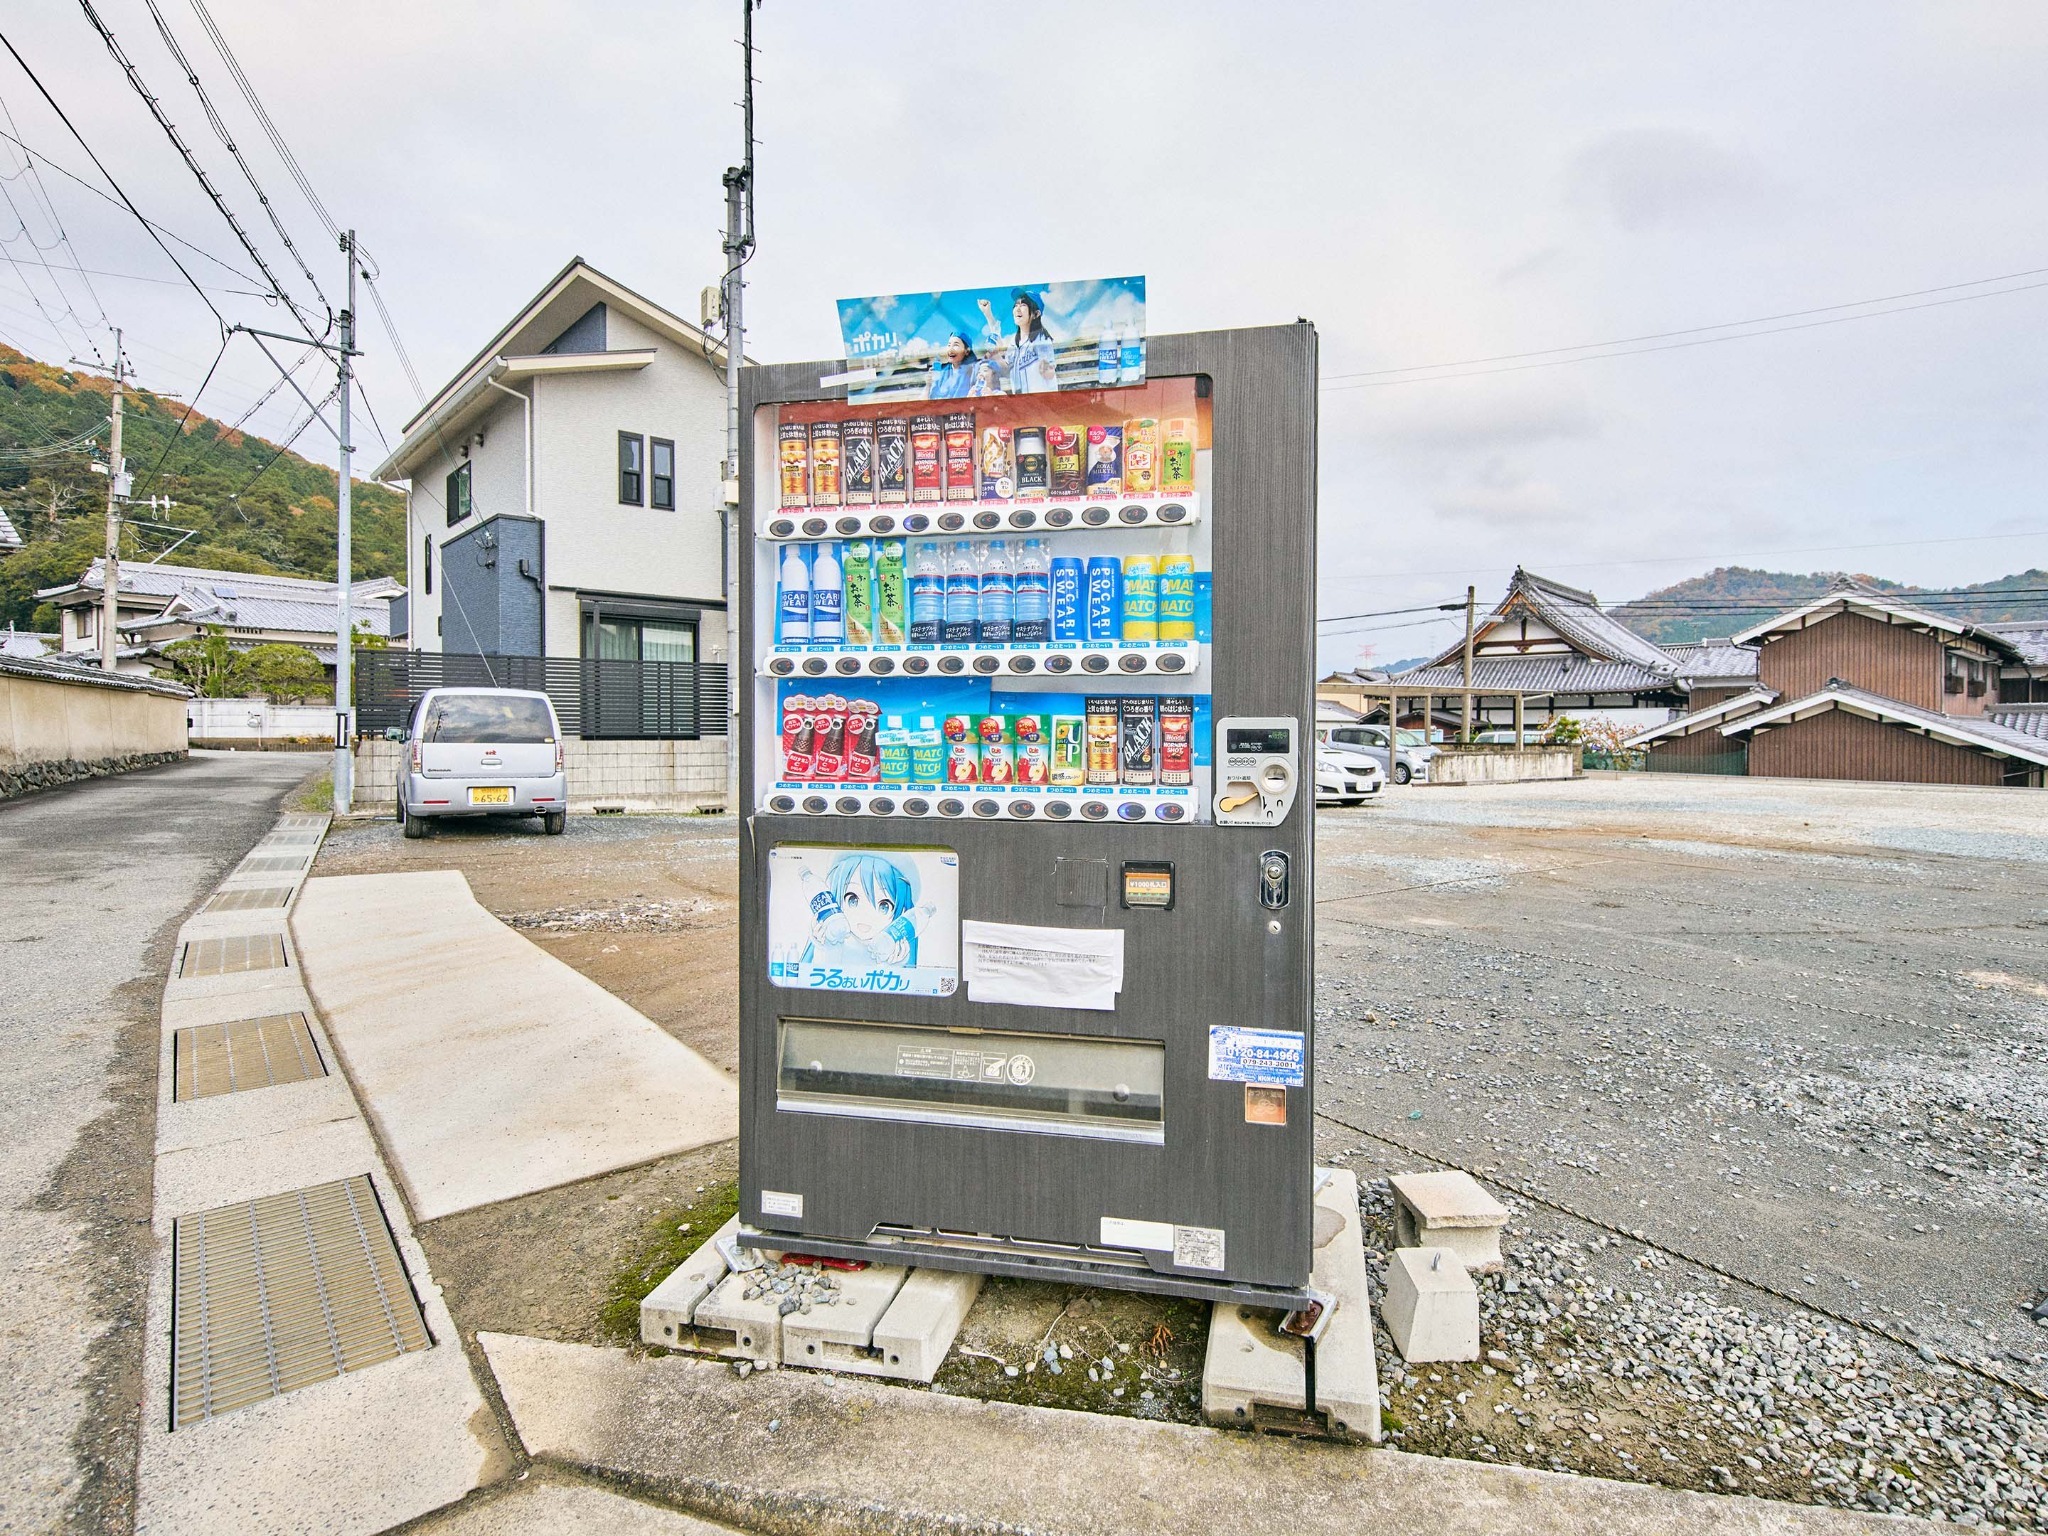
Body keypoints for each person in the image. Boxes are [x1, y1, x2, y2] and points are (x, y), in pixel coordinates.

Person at [801, 852, 928, 969]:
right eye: (852, 900)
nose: (865, 915)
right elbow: (817, 980)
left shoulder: (890, 953)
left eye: (884, 906)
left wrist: (892, 965)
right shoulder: (834, 942)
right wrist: (825, 947)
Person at [978, 291, 1059, 394]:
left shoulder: (1041, 339)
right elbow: (1008, 371)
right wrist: (996, 355)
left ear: (1036, 314)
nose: (1018, 309)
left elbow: (1050, 373)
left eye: (1023, 305)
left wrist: (1046, 369)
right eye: (1016, 305)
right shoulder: (1013, 342)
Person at [927, 333, 980, 400]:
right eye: (949, 345)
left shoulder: (974, 370)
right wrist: (928, 385)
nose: (950, 349)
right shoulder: (943, 371)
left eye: (955, 345)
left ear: (967, 351)